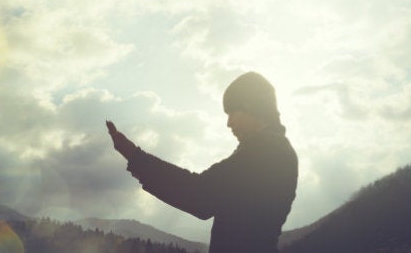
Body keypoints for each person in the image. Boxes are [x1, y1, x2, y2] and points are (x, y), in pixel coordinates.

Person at [106, 72, 298, 253]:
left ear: (251, 107)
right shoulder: (276, 150)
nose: (229, 123)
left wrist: (135, 157)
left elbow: (200, 195)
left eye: (232, 112)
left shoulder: (265, 153)